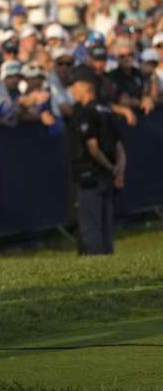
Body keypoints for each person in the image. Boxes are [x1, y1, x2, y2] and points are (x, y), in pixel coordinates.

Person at [67, 65, 126, 255]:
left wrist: (110, 168)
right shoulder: (107, 110)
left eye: (75, 85)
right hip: (107, 178)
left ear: (86, 86)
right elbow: (120, 148)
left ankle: (94, 264)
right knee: (106, 225)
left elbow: (93, 148)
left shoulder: (86, 112)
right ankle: (108, 258)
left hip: (90, 175)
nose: (72, 90)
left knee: (90, 227)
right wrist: (118, 170)